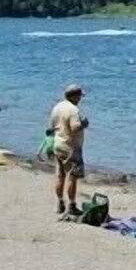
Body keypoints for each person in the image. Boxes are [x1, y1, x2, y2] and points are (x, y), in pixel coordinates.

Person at [47, 84, 88, 215]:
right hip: (71, 147)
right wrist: (84, 123)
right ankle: (71, 206)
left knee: (60, 175)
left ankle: (60, 203)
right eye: (79, 96)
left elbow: (51, 128)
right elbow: (74, 127)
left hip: (58, 144)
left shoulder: (57, 107)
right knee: (72, 177)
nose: (80, 99)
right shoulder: (73, 110)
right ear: (74, 97)